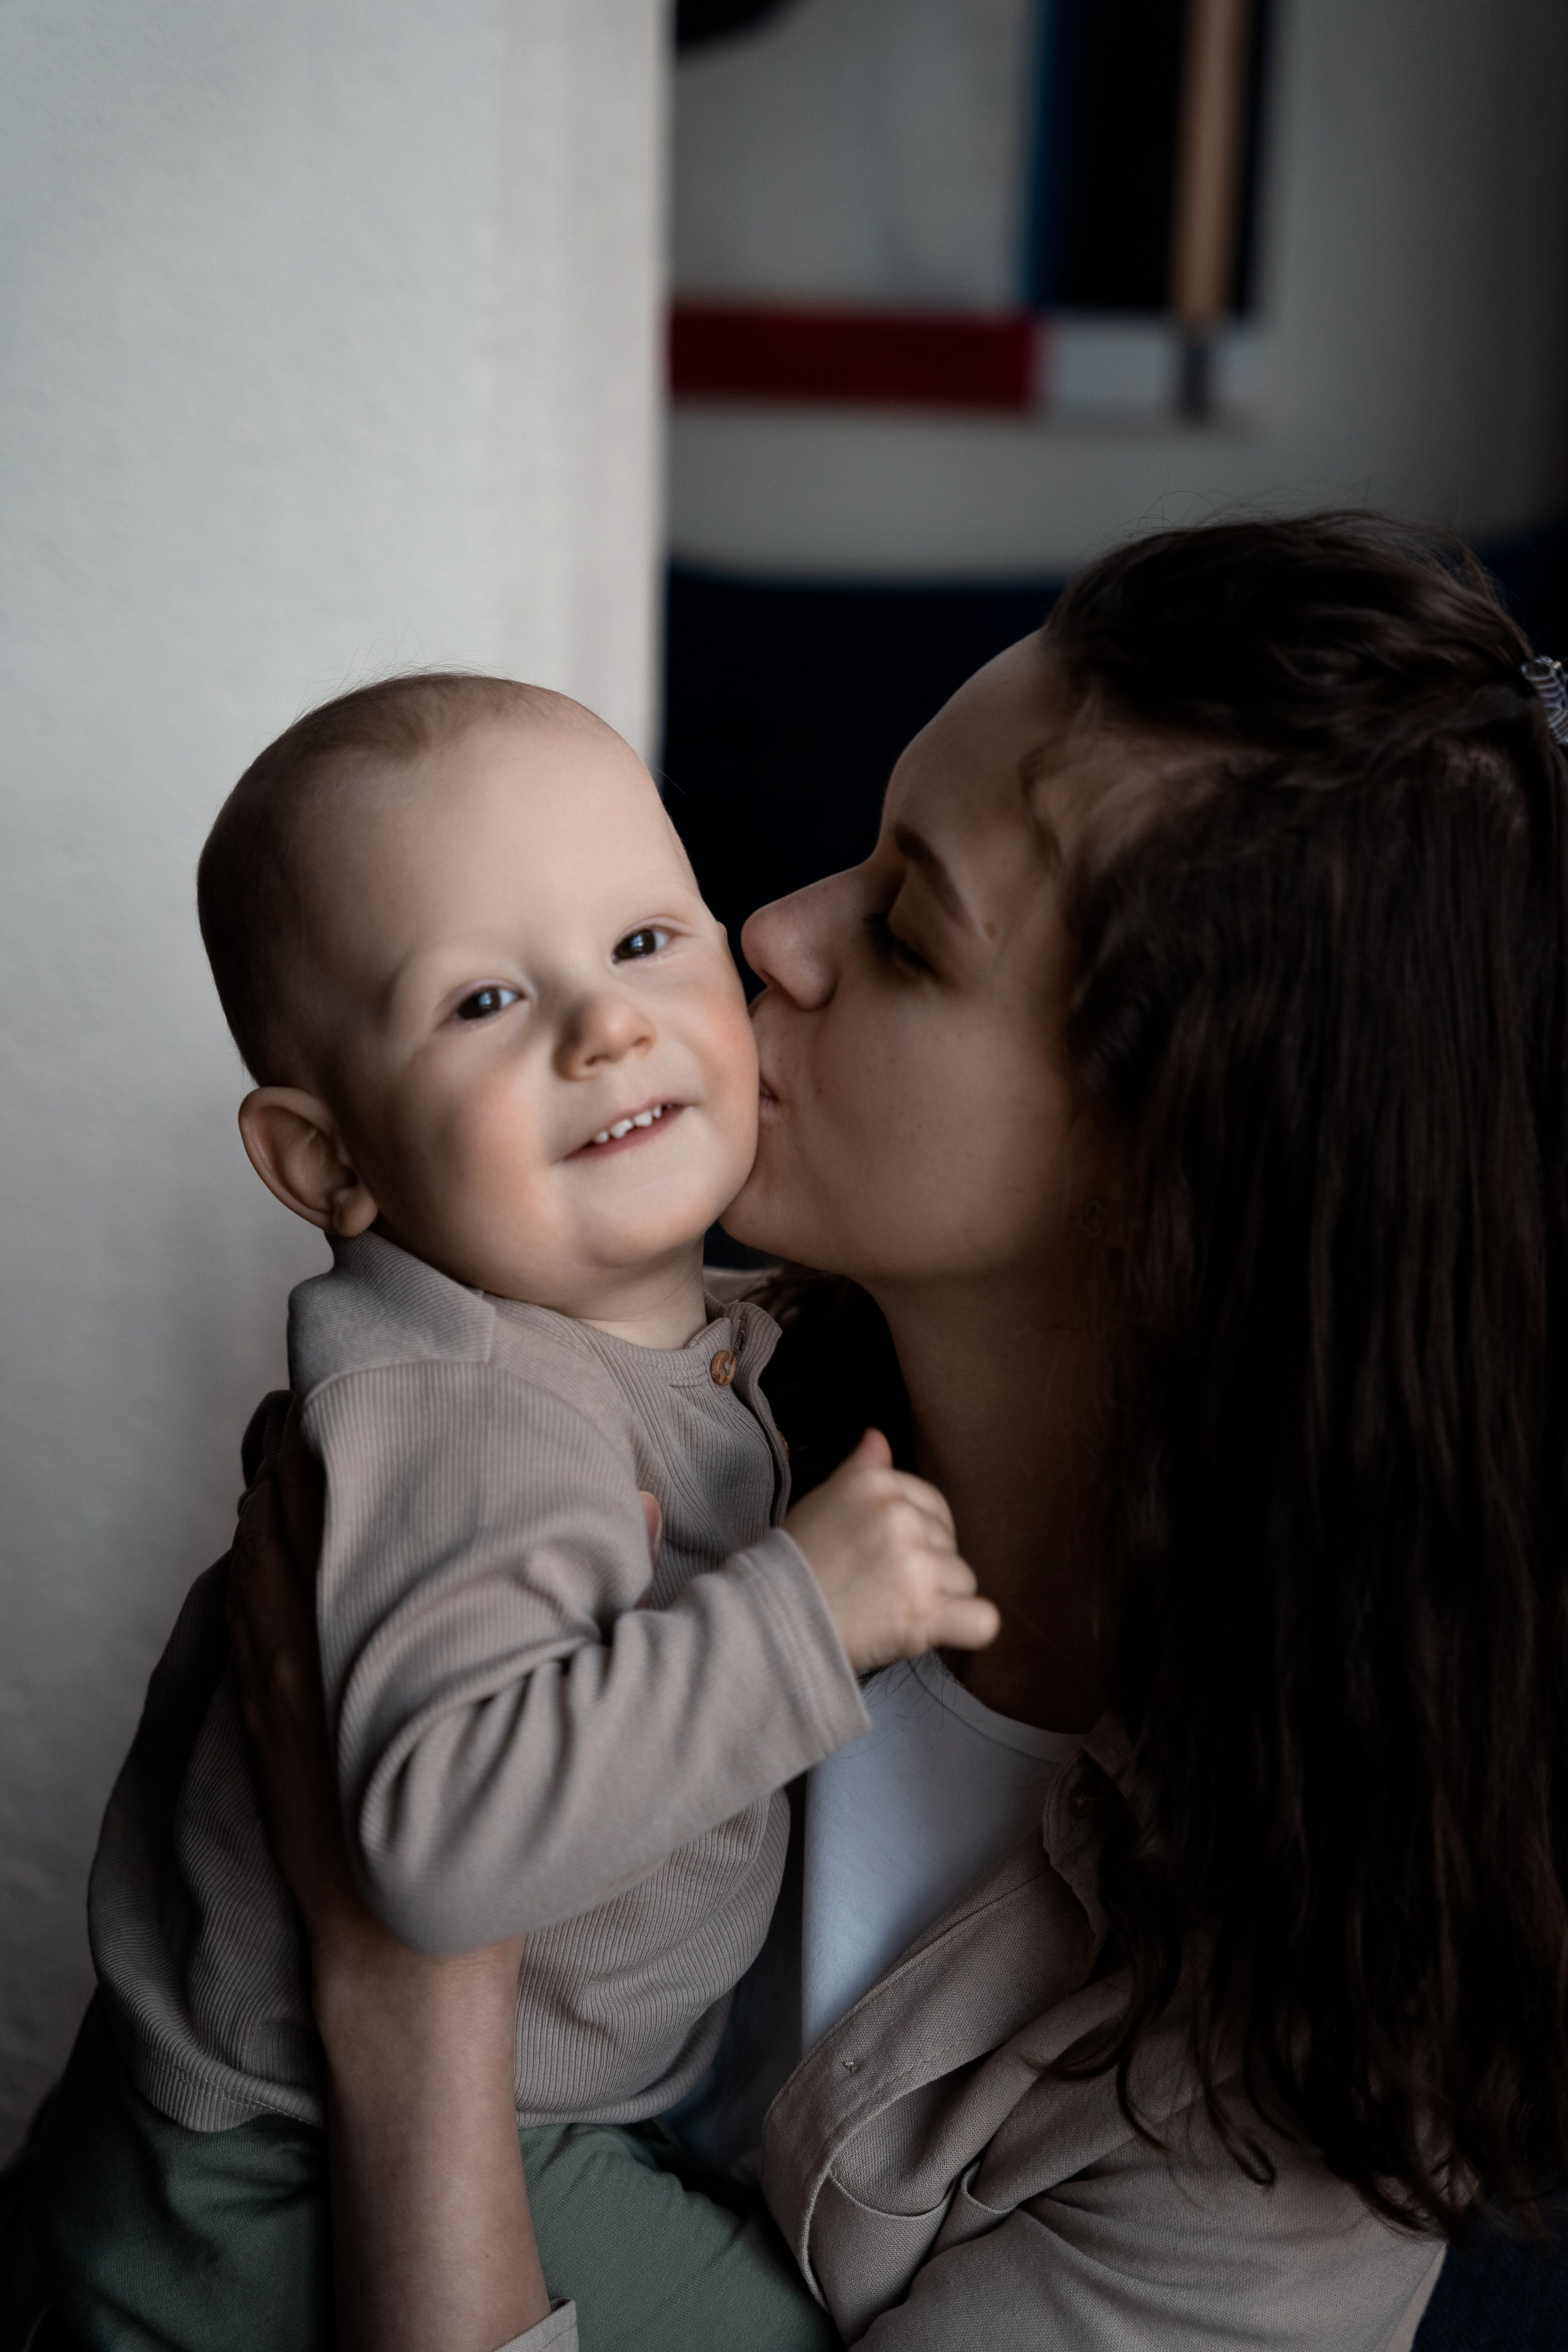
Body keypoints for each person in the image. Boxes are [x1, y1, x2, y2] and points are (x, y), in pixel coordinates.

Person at [224, 511, 1568, 2352]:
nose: (767, 933)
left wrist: (409, 2032)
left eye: (911, 929)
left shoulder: (1296, 2096)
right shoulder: (585, 1396)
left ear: (1174, 1171)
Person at [29, 676, 997, 2352]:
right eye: (483, 998)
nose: (602, 1029)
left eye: (640, 943)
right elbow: (436, 1848)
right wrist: (801, 1616)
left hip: (476, 2113)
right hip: (290, 2163)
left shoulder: (620, 1338)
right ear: (330, 1167)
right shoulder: (468, 1411)